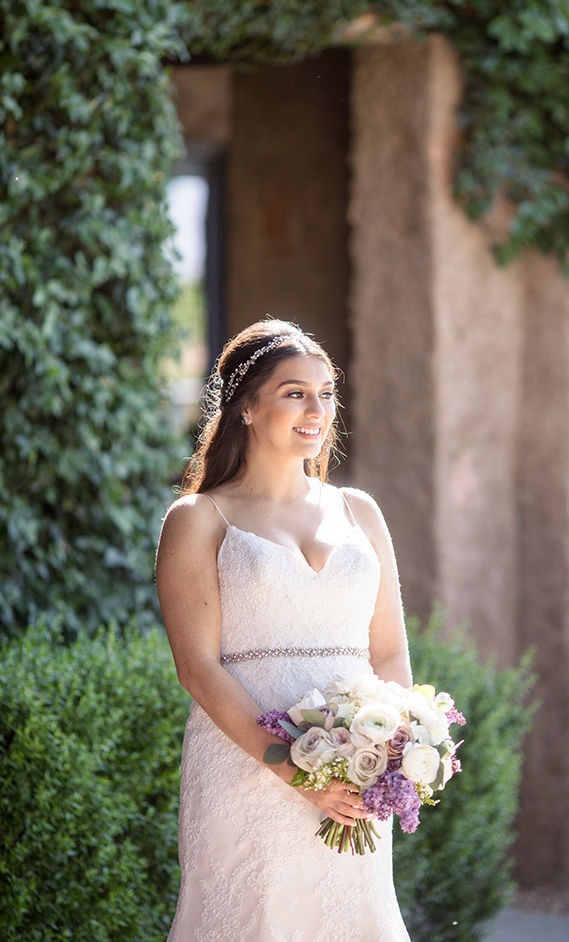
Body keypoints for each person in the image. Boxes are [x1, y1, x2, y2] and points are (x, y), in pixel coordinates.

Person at [156, 319, 412, 942]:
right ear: (246, 405)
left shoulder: (360, 511)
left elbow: (390, 651)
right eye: (295, 392)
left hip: (355, 775)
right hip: (245, 770)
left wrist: (388, 759)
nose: (316, 409)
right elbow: (198, 667)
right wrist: (295, 772)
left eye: (326, 393)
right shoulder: (197, 519)